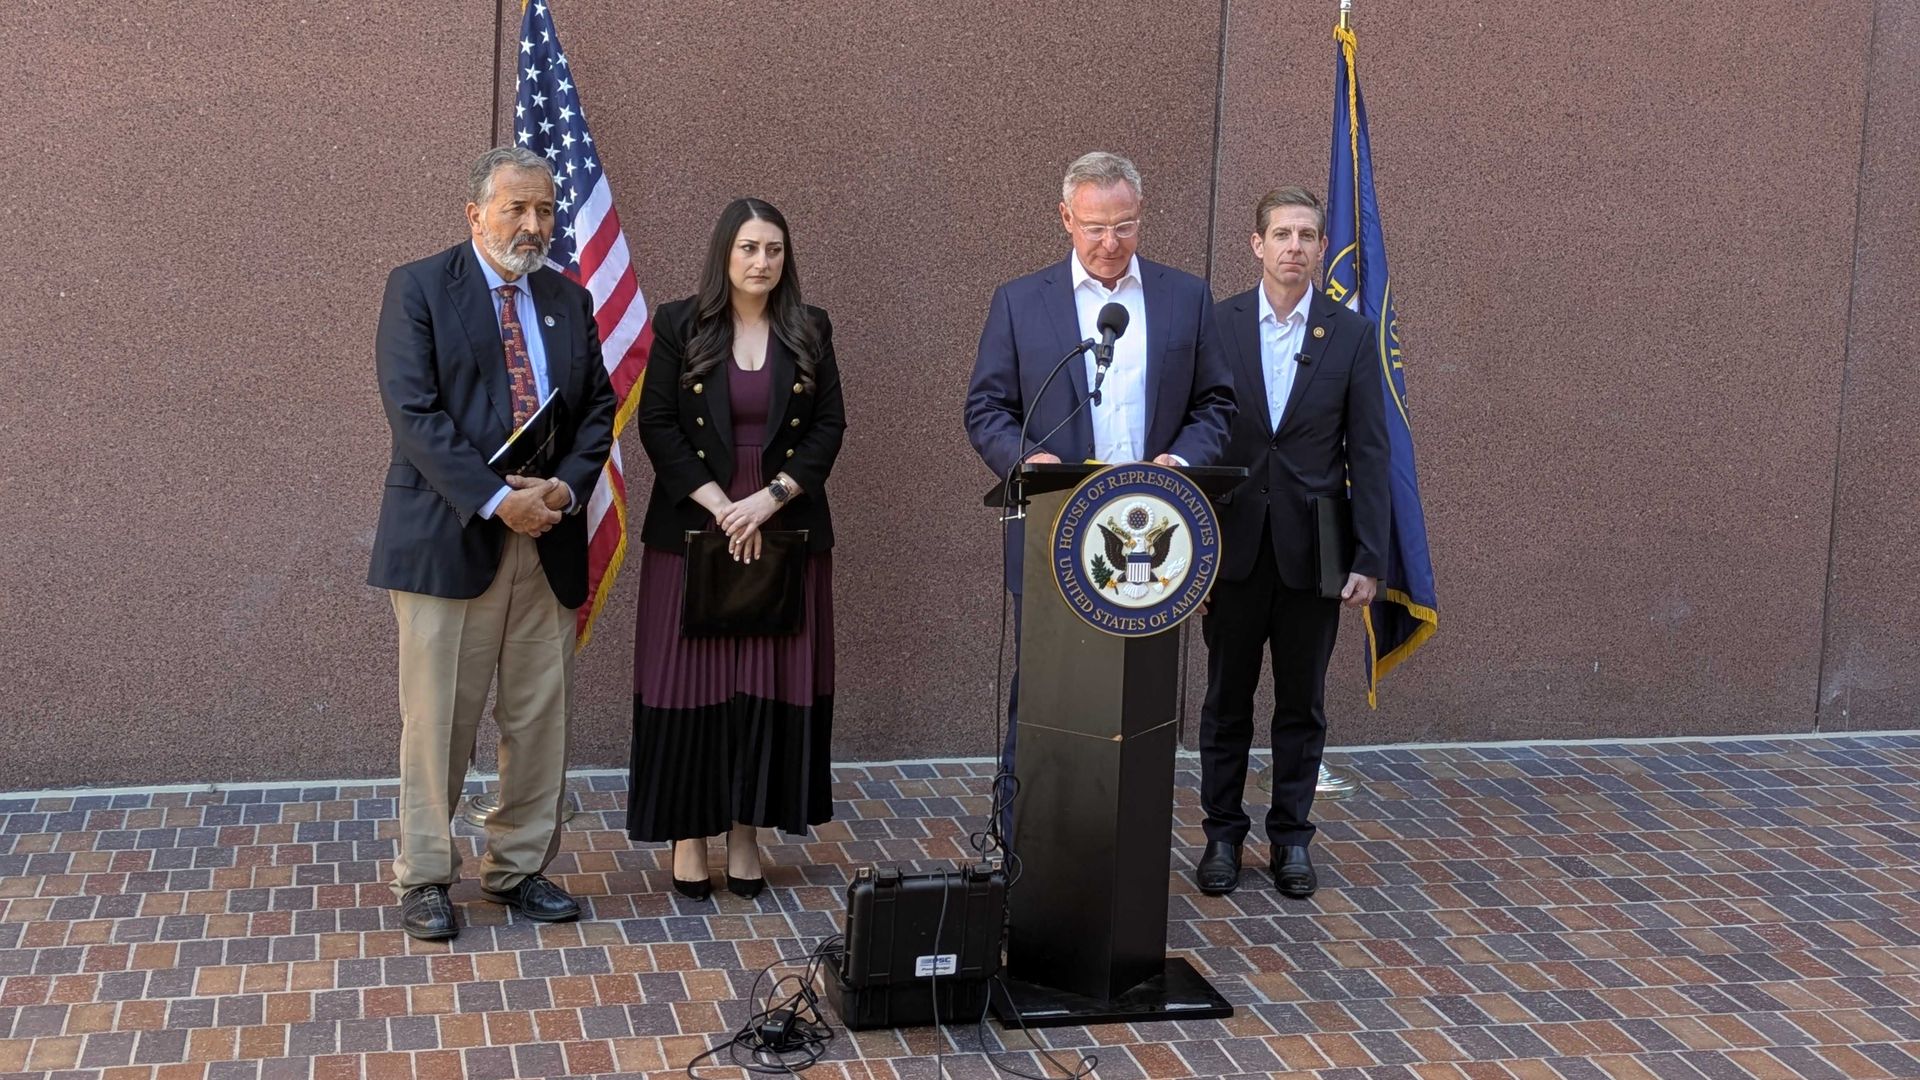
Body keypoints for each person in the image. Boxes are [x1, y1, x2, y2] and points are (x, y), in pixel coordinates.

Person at [369, 146, 616, 939]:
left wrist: (562, 489)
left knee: (538, 715)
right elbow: (415, 415)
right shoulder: (418, 288)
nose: (534, 225)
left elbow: (598, 412)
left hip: (546, 536)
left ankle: (518, 868)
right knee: (438, 718)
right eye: (516, 209)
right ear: (475, 213)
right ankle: (427, 876)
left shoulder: (567, 301)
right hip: (450, 540)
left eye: (544, 210)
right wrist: (492, 499)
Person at [963, 151, 1235, 834]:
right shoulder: (1021, 303)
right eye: (1094, 229)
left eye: (1125, 227)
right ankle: (1022, 834)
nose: (1110, 244)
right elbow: (986, 409)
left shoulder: (1184, 298)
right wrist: (1031, 458)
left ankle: (1127, 836)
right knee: (1050, 690)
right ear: (1065, 219)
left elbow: (1216, 404)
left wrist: (1183, 457)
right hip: (1056, 527)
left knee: (1137, 702)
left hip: (1152, 538)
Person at [627, 198, 846, 900]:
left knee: (766, 678)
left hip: (783, 523)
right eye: (749, 248)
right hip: (696, 525)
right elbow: (656, 423)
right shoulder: (678, 324)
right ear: (725, 253)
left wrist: (769, 499)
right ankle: (691, 836)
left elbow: (829, 428)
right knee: (692, 680)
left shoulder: (811, 329)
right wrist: (723, 505)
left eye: (774, 250)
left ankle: (746, 834)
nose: (762, 262)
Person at [1194, 187, 1389, 898]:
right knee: (1226, 703)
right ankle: (1221, 837)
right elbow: (1198, 439)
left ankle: (1291, 839)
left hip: (1316, 555)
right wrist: (1193, 556)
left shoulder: (1351, 334)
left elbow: (1369, 453)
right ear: (1257, 244)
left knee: (1301, 704)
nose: (1296, 248)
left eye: (1308, 235)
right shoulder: (1218, 327)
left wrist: (1370, 558)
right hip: (1234, 551)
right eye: (1282, 234)